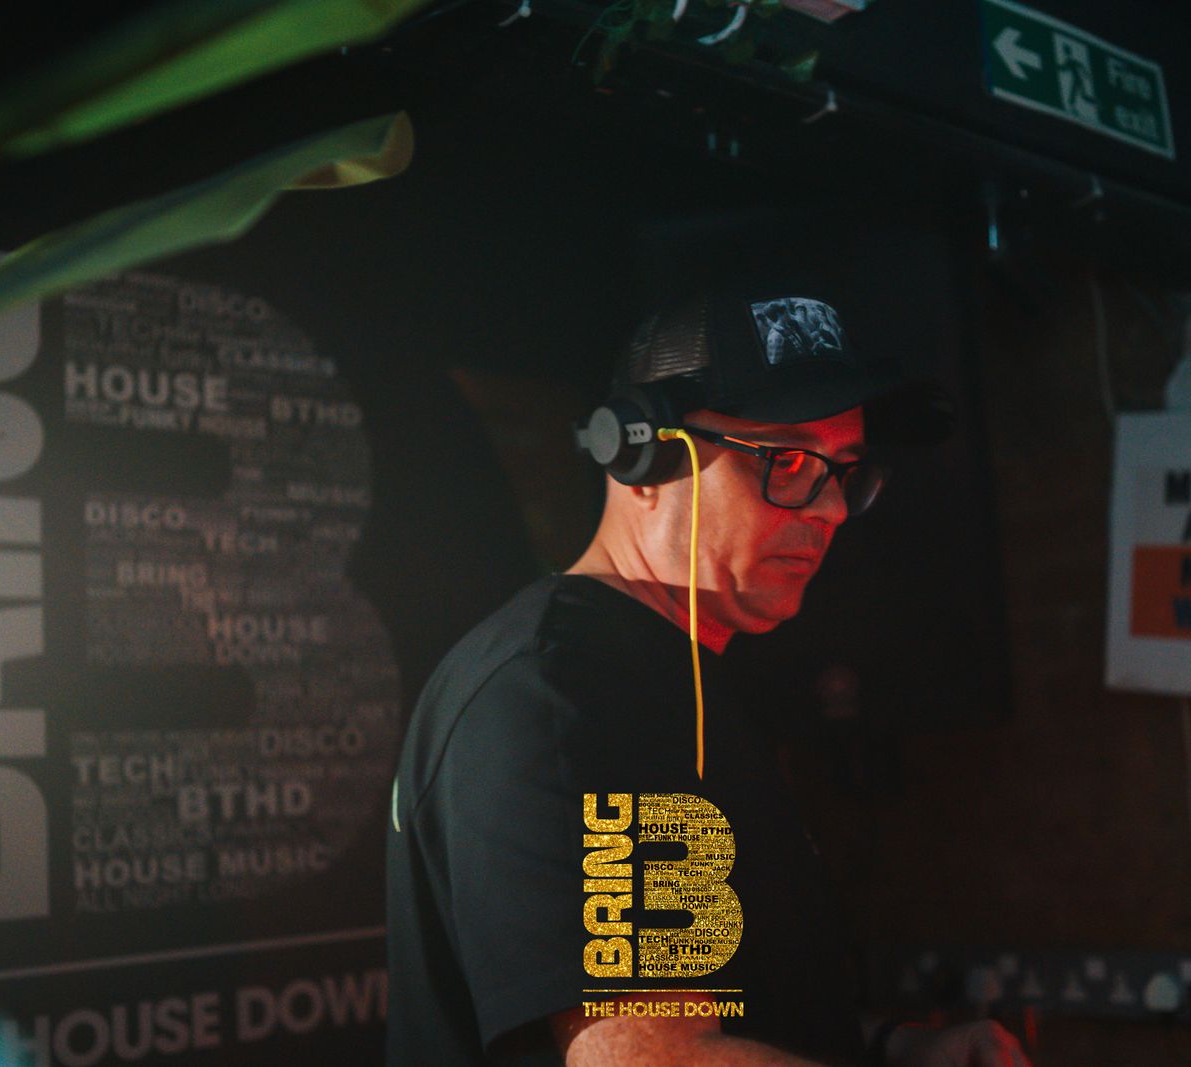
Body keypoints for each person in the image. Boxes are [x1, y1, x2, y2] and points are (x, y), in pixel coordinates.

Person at [386, 294, 1029, 1067]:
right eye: (788, 461)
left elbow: (729, 1009)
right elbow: (656, 1060)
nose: (831, 507)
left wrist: (900, 1047)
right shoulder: (562, 695)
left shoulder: (669, 678)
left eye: (844, 471)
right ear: (641, 456)